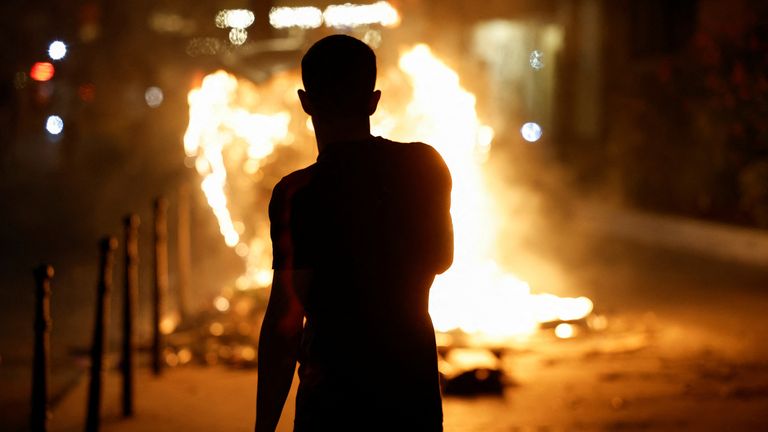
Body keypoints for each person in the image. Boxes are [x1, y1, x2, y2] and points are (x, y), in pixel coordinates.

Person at [255, 34, 453, 432]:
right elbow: (442, 259)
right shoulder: (425, 165)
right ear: (373, 100)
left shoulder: (298, 193)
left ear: (306, 102)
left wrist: (263, 427)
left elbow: (286, 322)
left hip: (333, 403)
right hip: (412, 395)